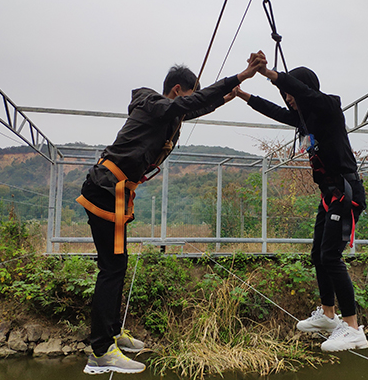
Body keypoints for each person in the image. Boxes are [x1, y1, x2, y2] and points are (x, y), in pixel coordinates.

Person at [77, 54, 266, 375]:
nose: (188, 104)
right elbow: (187, 106)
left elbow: (195, 107)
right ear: (176, 90)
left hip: (113, 191)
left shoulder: (165, 113)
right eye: (188, 96)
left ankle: (111, 333)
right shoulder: (152, 104)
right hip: (107, 190)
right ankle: (100, 351)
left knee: (116, 266)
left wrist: (228, 95)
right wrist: (240, 76)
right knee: (111, 269)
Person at [233, 52, 368, 352]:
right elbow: (274, 111)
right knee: (318, 255)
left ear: (303, 90)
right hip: (329, 196)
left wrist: (270, 74)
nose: (288, 100)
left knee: (331, 256)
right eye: (285, 95)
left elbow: (306, 93)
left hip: (345, 192)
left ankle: (353, 328)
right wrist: (243, 95)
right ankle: (328, 314)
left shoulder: (329, 107)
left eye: (290, 94)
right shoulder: (304, 120)